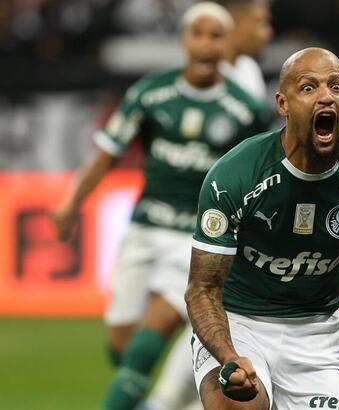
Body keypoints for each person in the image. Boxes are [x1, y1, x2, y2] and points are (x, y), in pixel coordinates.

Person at [51, 3, 271, 409]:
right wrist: (70, 204)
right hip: (143, 230)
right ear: (183, 40)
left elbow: (262, 180)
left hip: (195, 241)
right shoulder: (150, 92)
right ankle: (178, 392)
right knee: (121, 348)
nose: (206, 44)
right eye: (198, 34)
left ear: (227, 45)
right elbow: (107, 152)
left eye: (215, 36)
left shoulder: (245, 110)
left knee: (143, 351)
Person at [186, 47, 339, 409]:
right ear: (283, 103)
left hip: (315, 335)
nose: (326, 95)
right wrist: (228, 355)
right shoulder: (235, 176)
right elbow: (202, 290)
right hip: (237, 323)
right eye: (309, 87)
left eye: (337, 87)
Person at [140, 2, 274, 409]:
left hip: (243, 219)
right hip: (212, 222)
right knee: (212, 314)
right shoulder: (215, 83)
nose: (267, 32)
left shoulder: (248, 73)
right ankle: (162, 401)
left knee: (222, 320)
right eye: (260, 22)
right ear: (232, 25)